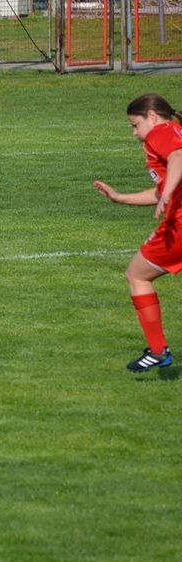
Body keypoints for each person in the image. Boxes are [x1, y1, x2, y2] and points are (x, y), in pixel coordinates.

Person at [93, 93, 181, 372]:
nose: (134, 133)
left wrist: (167, 194)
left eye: (135, 125)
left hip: (179, 226)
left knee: (137, 275)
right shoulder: (176, 131)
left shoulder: (161, 132)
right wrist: (121, 198)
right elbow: (163, 188)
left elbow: (178, 158)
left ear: (152, 117)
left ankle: (158, 350)